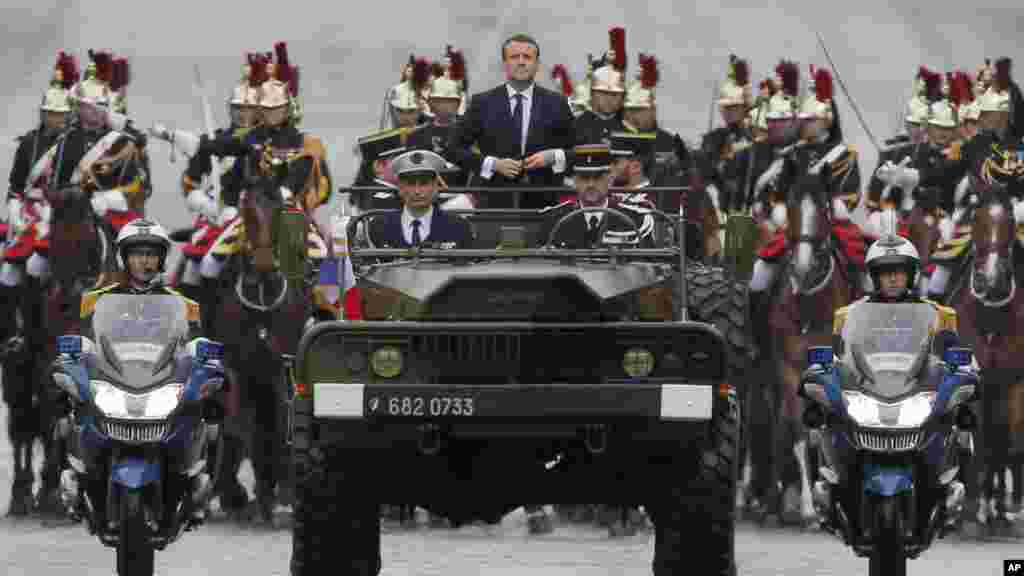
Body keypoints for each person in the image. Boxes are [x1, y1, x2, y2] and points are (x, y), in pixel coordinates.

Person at [72, 218, 221, 524]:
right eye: (137, 253)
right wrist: (73, 354)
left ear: (161, 258)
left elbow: (194, 340)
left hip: (162, 379)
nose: (144, 260)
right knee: (64, 397)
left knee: (213, 404)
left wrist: (207, 356)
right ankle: (72, 475)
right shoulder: (97, 299)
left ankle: (199, 482)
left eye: (151, 254)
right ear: (124, 258)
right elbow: (85, 337)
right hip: (113, 378)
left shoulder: (183, 303)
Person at [1, 51, 77, 352]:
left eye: (59, 114)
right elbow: (15, 187)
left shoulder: (74, 144)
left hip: (61, 212)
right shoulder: (29, 144)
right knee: (8, 270)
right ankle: (9, 332)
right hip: (30, 214)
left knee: (39, 265)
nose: (53, 119)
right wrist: (15, 212)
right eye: (49, 113)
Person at [455, 33, 575, 208]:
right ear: (505, 63)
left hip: (543, 203)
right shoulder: (482, 102)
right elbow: (453, 148)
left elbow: (579, 150)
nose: (521, 62)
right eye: (514, 57)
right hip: (493, 203)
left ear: (537, 64)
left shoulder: (557, 103)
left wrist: (554, 156)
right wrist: (492, 164)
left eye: (527, 57)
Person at [540, 143, 655, 249]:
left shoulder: (636, 220)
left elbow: (650, 265)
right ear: (575, 182)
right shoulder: (554, 220)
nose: (591, 184)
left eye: (597, 178)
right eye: (584, 178)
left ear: (610, 180)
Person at [367, 150, 472, 248]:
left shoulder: (458, 226)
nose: (417, 191)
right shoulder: (379, 227)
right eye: (410, 184)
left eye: (424, 184)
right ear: (399, 187)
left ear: (436, 186)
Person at [574, 27, 628, 146]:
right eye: (603, 93)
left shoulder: (632, 125)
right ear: (593, 94)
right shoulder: (575, 126)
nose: (608, 98)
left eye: (614, 94)